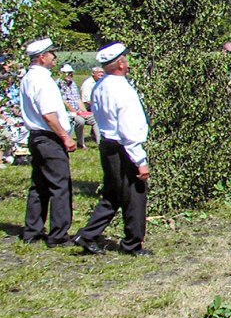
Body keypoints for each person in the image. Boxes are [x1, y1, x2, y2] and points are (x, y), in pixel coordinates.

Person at [74, 43, 150, 256]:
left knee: (113, 194)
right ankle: (132, 244)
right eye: (125, 59)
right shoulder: (122, 90)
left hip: (107, 144)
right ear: (120, 63)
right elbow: (129, 128)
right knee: (135, 195)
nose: (128, 63)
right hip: (123, 146)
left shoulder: (100, 86)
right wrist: (140, 161)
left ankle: (88, 235)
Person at [20, 37, 77, 247]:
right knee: (60, 186)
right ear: (42, 57)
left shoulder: (28, 78)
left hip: (36, 137)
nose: (55, 57)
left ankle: (32, 231)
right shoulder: (43, 81)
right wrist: (65, 136)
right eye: (52, 53)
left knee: (39, 185)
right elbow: (49, 115)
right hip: (49, 137)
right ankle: (58, 235)